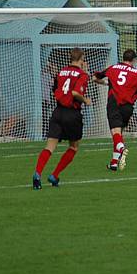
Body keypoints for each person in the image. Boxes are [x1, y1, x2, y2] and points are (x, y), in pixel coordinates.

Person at [32, 48, 91, 190]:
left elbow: (55, 90)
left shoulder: (61, 72)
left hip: (57, 112)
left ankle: (37, 173)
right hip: (72, 114)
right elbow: (76, 92)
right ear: (81, 59)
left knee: (49, 146)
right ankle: (54, 175)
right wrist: (85, 100)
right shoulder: (82, 75)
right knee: (74, 147)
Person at [93, 49, 137, 171]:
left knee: (115, 133)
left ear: (123, 58)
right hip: (128, 107)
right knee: (119, 133)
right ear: (134, 60)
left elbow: (95, 78)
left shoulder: (113, 68)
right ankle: (114, 163)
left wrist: (106, 83)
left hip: (114, 103)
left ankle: (122, 149)